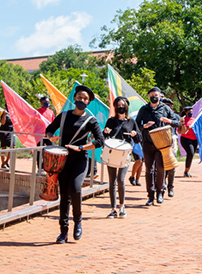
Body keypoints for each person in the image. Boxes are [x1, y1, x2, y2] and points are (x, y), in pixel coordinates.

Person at [45, 85, 105, 244]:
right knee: (64, 195)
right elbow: (49, 129)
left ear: (88, 102)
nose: (82, 100)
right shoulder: (63, 116)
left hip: (80, 159)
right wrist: (51, 137)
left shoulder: (90, 120)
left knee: (75, 189)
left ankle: (78, 221)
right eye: (79, 97)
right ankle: (63, 231)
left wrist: (81, 147)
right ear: (74, 99)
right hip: (63, 160)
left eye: (85, 99)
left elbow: (100, 141)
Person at [135, 87, 180, 206]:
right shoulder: (144, 109)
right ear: (149, 96)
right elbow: (136, 125)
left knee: (160, 168)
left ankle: (160, 193)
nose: (154, 96)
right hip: (148, 143)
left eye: (156, 95)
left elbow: (177, 123)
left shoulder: (165, 108)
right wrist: (144, 126)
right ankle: (150, 196)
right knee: (149, 170)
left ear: (160, 96)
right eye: (152, 95)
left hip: (162, 144)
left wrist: (168, 121)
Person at [103, 96, 141, 218]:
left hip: (125, 153)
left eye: (123, 105)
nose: (121, 107)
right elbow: (104, 138)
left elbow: (138, 139)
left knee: (121, 180)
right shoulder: (111, 121)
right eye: (118, 105)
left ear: (126, 107)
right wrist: (105, 132)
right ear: (115, 107)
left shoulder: (131, 122)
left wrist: (135, 134)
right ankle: (113, 208)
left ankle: (122, 206)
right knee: (112, 181)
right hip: (112, 153)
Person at [162, 98, 177, 197]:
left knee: (171, 167)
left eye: (169, 105)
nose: (168, 107)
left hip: (172, 141)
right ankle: (162, 186)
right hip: (160, 141)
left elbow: (180, 130)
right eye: (165, 105)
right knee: (161, 167)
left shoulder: (175, 116)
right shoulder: (157, 115)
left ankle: (170, 187)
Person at [178, 106, 198, 177]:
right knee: (190, 153)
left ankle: (187, 170)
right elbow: (179, 131)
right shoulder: (182, 120)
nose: (191, 113)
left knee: (191, 155)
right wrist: (186, 128)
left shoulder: (194, 120)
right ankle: (186, 171)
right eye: (189, 112)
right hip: (185, 139)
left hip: (194, 139)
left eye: (192, 111)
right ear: (186, 112)